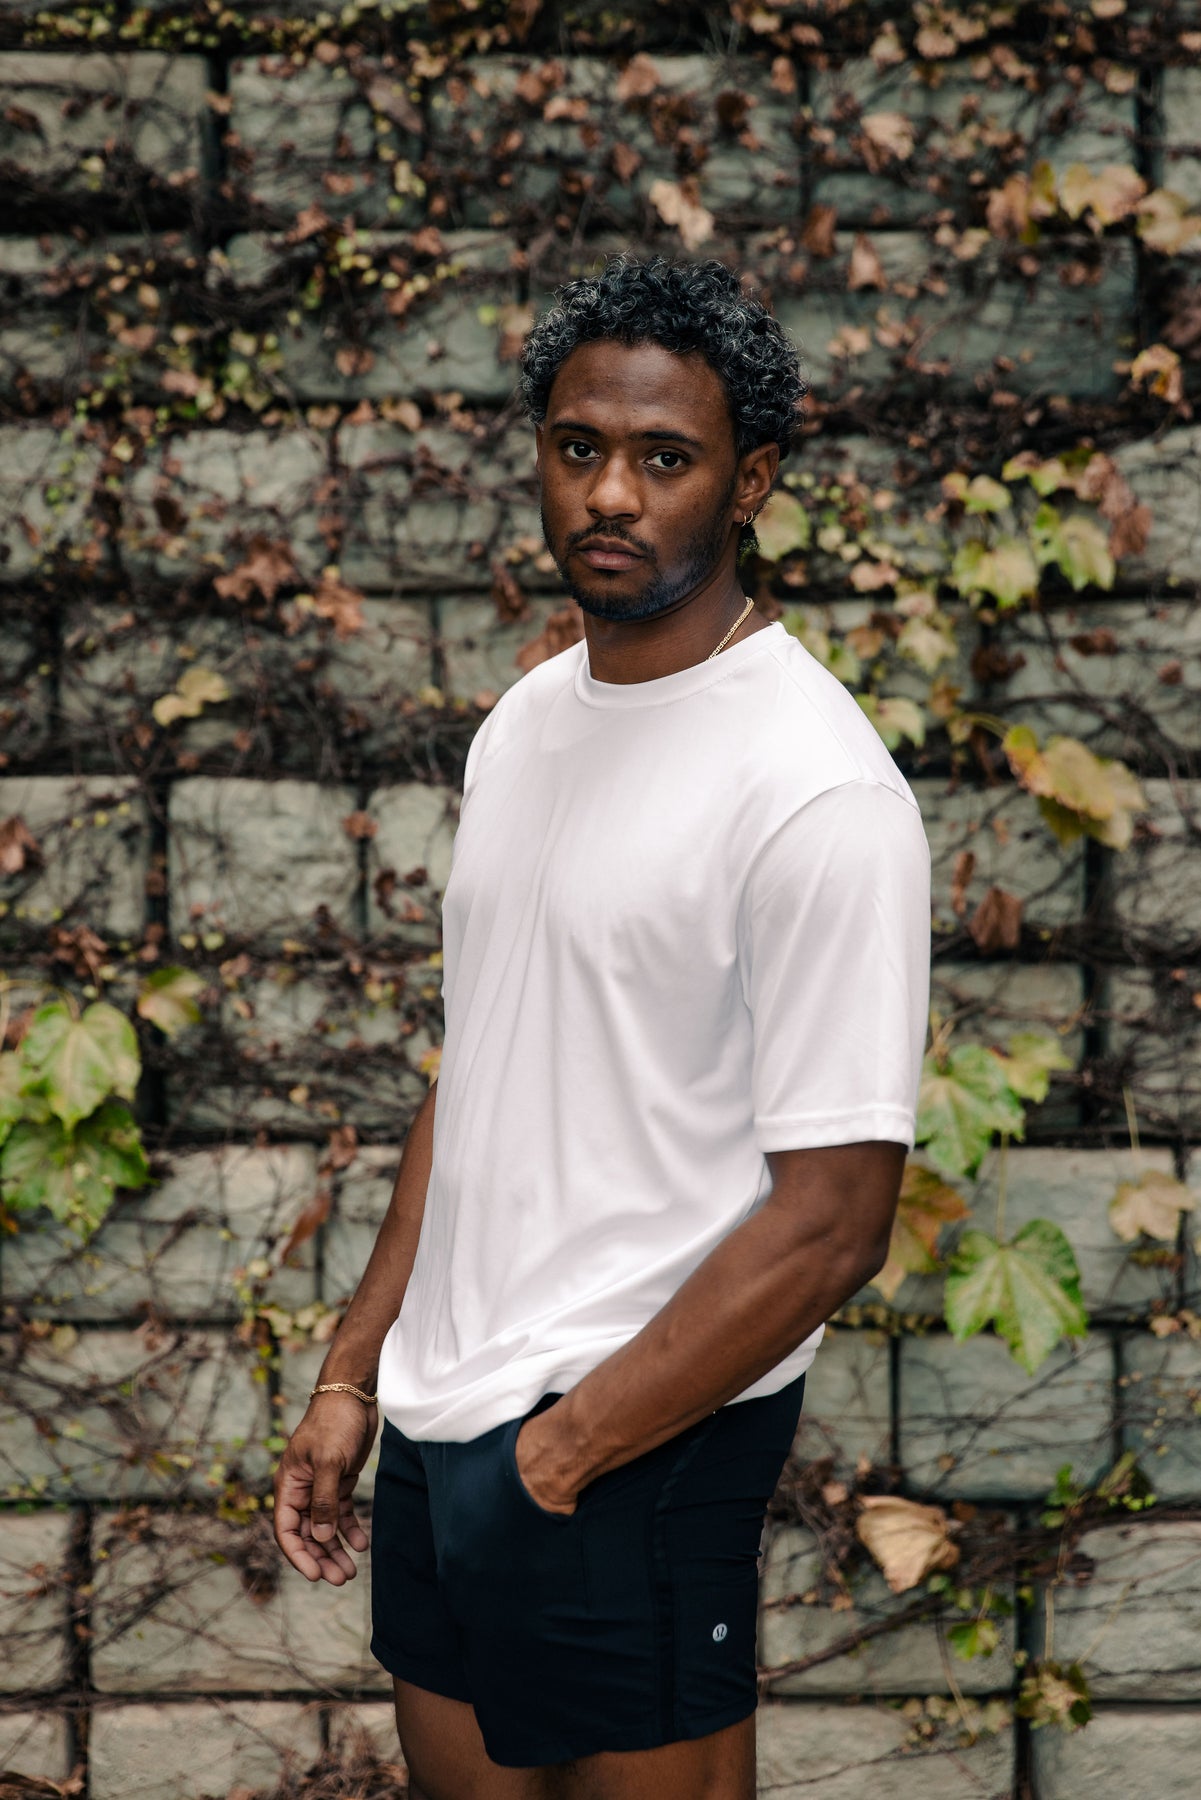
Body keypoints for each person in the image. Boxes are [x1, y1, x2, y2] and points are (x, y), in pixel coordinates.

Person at [273, 256, 931, 1800]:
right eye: (578, 448)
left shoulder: (814, 789)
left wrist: (558, 1457)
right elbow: (483, 1074)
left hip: (631, 1441)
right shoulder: (527, 724)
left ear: (749, 480)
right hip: (446, 1427)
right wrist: (355, 1373)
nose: (610, 493)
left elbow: (834, 1223)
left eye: (663, 456)